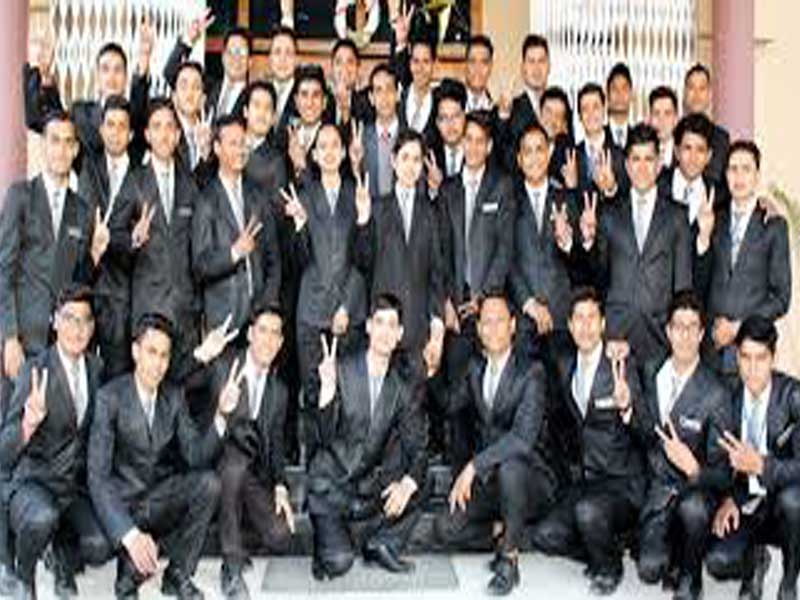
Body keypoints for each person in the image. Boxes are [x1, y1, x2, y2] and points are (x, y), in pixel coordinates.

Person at [88, 313, 235, 600]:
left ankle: (178, 574)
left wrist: (221, 415)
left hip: (158, 500)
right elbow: (98, 477)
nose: (157, 363)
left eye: (164, 355)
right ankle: (131, 565)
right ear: (135, 351)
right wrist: (130, 534)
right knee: (130, 582)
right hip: (126, 508)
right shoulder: (110, 397)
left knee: (209, 484)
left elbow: (195, 456)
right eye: (151, 352)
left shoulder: (174, 396)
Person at [435, 293, 557, 595]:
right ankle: (506, 530)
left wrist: (473, 467)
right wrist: (432, 372)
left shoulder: (532, 372)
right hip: (491, 480)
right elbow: (450, 404)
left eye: (499, 321)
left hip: (530, 479)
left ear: (512, 325)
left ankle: (509, 558)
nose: (492, 328)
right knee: (445, 527)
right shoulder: (475, 368)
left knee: (511, 467)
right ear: (478, 329)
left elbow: (522, 439)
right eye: (485, 322)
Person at [531, 286, 646, 596]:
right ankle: (603, 548)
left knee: (587, 512)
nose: (585, 326)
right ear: (569, 325)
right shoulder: (566, 364)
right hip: (588, 482)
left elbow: (647, 431)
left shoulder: (621, 365)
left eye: (592, 318)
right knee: (544, 535)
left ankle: (609, 568)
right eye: (578, 319)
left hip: (623, 483)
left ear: (603, 323)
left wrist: (628, 407)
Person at [0, 285, 113, 600]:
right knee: (41, 518)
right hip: (34, 484)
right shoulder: (34, 370)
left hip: (72, 490)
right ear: (55, 321)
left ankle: (61, 553)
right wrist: (28, 424)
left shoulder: (96, 369)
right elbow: (3, 451)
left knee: (101, 545)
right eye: (70, 318)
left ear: (93, 327)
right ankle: (24, 576)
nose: (78, 328)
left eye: (85, 320)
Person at [306, 294, 428, 579]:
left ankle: (381, 543)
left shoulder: (401, 387)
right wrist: (327, 392)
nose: (385, 332)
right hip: (331, 486)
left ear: (399, 334)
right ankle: (330, 540)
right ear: (369, 327)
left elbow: (418, 447)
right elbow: (322, 438)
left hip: (366, 485)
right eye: (379, 322)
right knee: (339, 563)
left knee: (421, 480)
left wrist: (406, 484)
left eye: (392, 325)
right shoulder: (341, 368)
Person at [632, 290, 731, 600]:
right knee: (649, 570)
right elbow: (645, 433)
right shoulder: (651, 371)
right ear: (668, 331)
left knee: (693, 510)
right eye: (679, 327)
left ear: (701, 334)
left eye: (692, 328)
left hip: (695, 495)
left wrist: (694, 468)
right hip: (660, 492)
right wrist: (628, 412)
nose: (685, 336)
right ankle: (672, 549)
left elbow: (725, 474)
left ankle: (692, 574)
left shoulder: (716, 393)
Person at [1, 111, 109, 383]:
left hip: (61, 345)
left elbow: (78, 283)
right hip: (22, 341)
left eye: (68, 142)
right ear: (43, 146)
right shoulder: (20, 196)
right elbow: (4, 270)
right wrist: (9, 337)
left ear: (75, 150)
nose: (61, 150)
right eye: (55, 140)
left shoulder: (82, 210)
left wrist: (94, 255)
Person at [576, 123, 693, 366]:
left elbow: (683, 285)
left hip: (660, 338)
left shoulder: (677, 216)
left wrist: (678, 336)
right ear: (627, 166)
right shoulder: (608, 213)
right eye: (636, 159)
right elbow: (598, 277)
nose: (642, 168)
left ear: (659, 164)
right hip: (616, 334)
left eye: (649, 159)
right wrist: (588, 241)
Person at [706, 316, 800, 600]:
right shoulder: (727, 398)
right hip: (745, 499)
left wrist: (762, 465)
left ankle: (790, 578)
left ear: (773, 358)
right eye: (745, 357)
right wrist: (728, 498)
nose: (752, 368)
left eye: (761, 358)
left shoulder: (793, 396)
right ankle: (755, 562)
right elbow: (717, 462)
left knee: (794, 501)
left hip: (783, 501)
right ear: (737, 357)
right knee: (719, 561)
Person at [114, 98, 202, 381]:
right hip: (148, 309)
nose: (164, 134)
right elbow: (113, 237)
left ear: (178, 135)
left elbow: (199, 250)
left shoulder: (190, 184)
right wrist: (132, 239)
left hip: (185, 310)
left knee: (181, 393)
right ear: (147, 135)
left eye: (169, 127)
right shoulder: (134, 181)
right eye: (157, 127)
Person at [213, 305, 296, 600]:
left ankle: (236, 533)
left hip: (252, 474)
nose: (268, 340)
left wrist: (281, 485)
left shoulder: (279, 390)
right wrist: (221, 411)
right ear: (250, 334)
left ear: (281, 342)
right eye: (262, 331)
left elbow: (277, 445)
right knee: (233, 467)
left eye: (275, 334)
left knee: (281, 536)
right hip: (218, 466)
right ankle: (231, 564)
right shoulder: (224, 366)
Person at [695, 140, 791, 383]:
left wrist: (738, 327)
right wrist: (703, 238)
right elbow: (700, 282)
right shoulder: (713, 219)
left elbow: (781, 298)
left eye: (746, 169)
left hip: (751, 352)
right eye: (733, 169)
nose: (739, 177)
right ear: (725, 174)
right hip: (711, 350)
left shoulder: (774, 225)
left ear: (757, 175)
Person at [287, 124, 369, 390]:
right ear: (314, 155)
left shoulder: (357, 193)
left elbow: (364, 261)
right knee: (313, 393)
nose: (329, 152)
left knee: (348, 393)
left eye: (335, 145)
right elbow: (299, 263)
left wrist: (364, 220)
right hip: (312, 314)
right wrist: (300, 227)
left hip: (349, 312)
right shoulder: (303, 196)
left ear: (344, 152)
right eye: (322, 146)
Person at [354, 129, 445, 364]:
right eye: (405, 157)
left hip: (417, 330)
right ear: (393, 160)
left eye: (416, 159)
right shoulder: (376, 208)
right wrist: (363, 221)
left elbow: (436, 274)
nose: (410, 166)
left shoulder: (431, 213)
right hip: (383, 330)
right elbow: (363, 264)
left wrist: (437, 330)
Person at [192, 114, 281, 337]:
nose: (240, 150)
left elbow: (273, 260)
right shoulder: (205, 200)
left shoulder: (258, 197)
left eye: (243, 143)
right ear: (217, 148)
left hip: (259, 323)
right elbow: (200, 265)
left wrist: (266, 306)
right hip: (223, 322)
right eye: (233, 143)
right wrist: (234, 253)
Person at [77, 96, 138, 381]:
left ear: (131, 134)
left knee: (115, 379)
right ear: (100, 130)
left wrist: (109, 239)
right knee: (81, 377)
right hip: (85, 288)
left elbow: (138, 239)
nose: (115, 132)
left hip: (120, 296)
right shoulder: (88, 166)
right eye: (110, 125)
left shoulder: (141, 176)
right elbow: (84, 221)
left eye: (122, 126)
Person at [510, 121, 578, 360]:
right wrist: (529, 304)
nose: (534, 158)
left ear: (549, 153)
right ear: (519, 159)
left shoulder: (567, 199)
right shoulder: (508, 201)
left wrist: (567, 244)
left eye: (539, 149)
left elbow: (583, 265)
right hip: (522, 322)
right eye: (527, 151)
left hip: (561, 321)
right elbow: (505, 260)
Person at [164, 14, 250, 118]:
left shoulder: (253, 97)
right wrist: (188, 41)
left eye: (242, 52)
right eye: (231, 51)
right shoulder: (207, 87)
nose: (236, 58)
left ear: (250, 61)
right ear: (223, 57)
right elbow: (170, 72)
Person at [683, 63, 730, 185]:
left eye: (702, 89)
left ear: (709, 94)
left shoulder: (722, 138)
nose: (696, 95)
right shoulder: (675, 134)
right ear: (685, 93)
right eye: (691, 88)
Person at [648, 86, 680, 173]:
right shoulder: (641, 151)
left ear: (676, 119)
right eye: (656, 113)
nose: (661, 120)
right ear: (649, 118)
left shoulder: (683, 152)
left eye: (667, 113)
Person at [605, 62, 633, 150]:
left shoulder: (638, 138)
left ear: (631, 94)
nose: (619, 94)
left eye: (624, 88)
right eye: (614, 88)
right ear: (607, 94)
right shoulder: (598, 138)